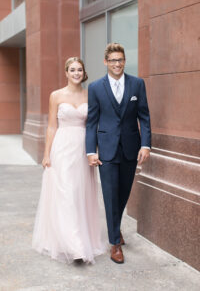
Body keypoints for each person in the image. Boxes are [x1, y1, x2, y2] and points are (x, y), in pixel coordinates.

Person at [32, 57, 106, 264]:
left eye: (79, 70)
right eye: (72, 70)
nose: (76, 73)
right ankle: (74, 246)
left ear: (84, 73)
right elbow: (51, 126)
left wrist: (96, 150)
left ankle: (80, 238)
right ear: (66, 73)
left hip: (83, 148)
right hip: (62, 148)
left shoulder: (91, 95)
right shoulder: (55, 95)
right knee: (65, 193)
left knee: (79, 193)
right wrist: (47, 154)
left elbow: (95, 124)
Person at [86, 43, 151, 264]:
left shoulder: (137, 84)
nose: (117, 64)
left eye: (120, 59)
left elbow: (144, 116)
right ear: (106, 62)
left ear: (124, 61)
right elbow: (91, 122)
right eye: (113, 60)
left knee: (123, 194)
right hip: (106, 150)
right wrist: (90, 151)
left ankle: (115, 227)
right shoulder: (95, 87)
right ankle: (114, 243)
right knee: (110, 195)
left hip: (131, 148)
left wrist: (146, 144)